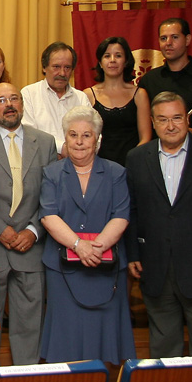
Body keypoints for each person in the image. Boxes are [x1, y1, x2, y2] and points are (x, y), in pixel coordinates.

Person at [125, 91, 192, 358]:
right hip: (156, 267)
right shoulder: (137, 159)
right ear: (152, 122)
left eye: (177, 118)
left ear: (187, 118)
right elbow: (132, 210)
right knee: (163, 351)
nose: (170, 126)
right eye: (162, 120)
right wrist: (134, 253)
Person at [0, 83, 57, 366]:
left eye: (14, 99)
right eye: (1, 100)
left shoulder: (44, 142)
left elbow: (52, 194)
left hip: (31, 246)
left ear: (22, 104)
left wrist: (34, 230)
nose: (9, 104)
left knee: (30, 324)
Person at [39, 106, 136, 364]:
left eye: (86, 135)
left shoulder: (116, 172)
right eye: (73, 135)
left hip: (106, 269)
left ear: (98, 140)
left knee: (103, 342)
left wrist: (96, 248)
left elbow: (121, 215)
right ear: (65, 139)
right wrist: (79, 245)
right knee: (66, 339)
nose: (79, 142)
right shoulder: (52, 173)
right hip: (63, 270)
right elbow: (49, 216)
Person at [82, 37, 150, 166]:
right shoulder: (88, 95)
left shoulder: (140, 94)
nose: (112, 60)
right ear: (100, 63)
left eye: (118, 56)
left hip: (132, 165)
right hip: (97, 166)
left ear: (126, 62)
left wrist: (132, 161)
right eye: (107, 56)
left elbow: (145, 138)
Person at [21, 42, 93, 157]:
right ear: (44, 67)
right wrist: (62, 149)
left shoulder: (81, 98)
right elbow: (29, 136)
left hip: (78, 165)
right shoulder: (29, 94)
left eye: (67, 67)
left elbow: (94, 132)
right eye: (56, 67)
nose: (62, 73)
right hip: (42, 165)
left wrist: (77, 152)